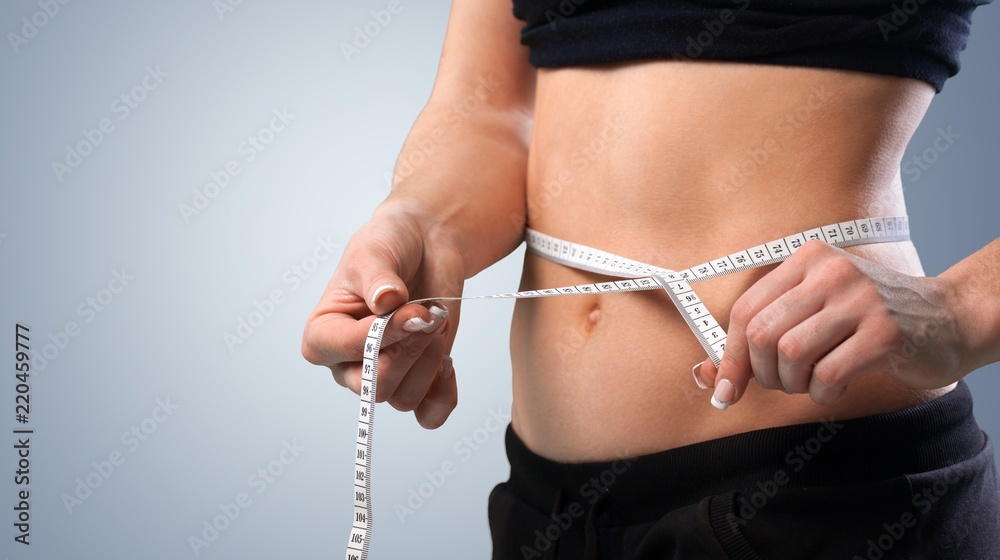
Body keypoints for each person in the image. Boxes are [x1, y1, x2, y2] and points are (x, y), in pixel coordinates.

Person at [302, 1, 1000, 557]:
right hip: (544, 506)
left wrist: (961, 311)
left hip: (824, 490)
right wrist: (420, 225)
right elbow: (486, 111)